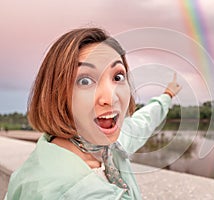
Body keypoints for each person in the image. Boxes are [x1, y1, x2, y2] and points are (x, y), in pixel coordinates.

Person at [5, 28, 181, 200]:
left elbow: (141, 124)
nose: (110, 98)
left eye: (118, 77)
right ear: (56, 94)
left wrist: (167, 95)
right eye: (85, 80)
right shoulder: (72, 191)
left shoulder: (100, 146)